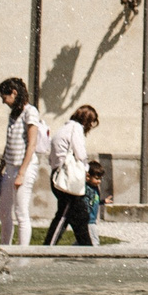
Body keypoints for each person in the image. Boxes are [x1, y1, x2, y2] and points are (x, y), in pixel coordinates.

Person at [0, 77, 42, 247]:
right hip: (10, 167)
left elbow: (32, 144)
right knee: (4, 211)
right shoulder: (13, 115)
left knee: (21, 212)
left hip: (24, 167)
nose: (3, 101)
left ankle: (23, 251)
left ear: (14, 93)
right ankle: (5, 247)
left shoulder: (30, 112)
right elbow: (8, 145)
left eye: (4, 97)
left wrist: (21, 173)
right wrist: (0, 170)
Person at [44, 105, 96, 246]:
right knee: (64, 216)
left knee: (79, 215)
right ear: (87, 121)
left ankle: (87, 248)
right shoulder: (76, 128)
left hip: (59, 176)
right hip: (67, 179)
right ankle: (48, 247)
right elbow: (80, 153)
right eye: (91, 122)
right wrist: (86, 169)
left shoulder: (64, 128)